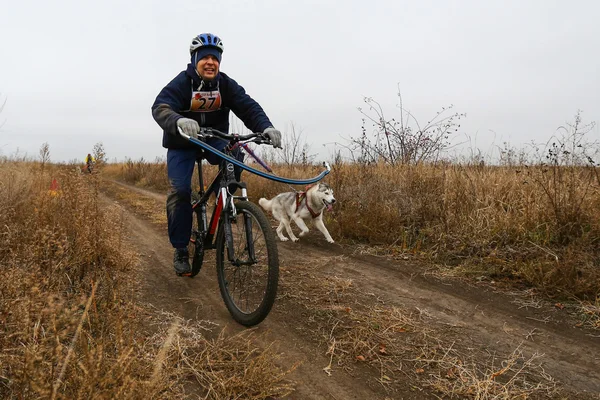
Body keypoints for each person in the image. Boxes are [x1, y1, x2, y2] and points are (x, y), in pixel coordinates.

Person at [151, 33, 282, 277]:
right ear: (195, 61)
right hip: (183, 140)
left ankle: (226, 203)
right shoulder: (181, 83)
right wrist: (178, 120)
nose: (210, 62)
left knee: (235, 155)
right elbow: (160, 107)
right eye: (205, 58)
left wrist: (266, 127)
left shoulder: (226, 84)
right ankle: (180, 248)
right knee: (180, 191)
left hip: (215, 138)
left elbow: (248, 106)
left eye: (215, 58)